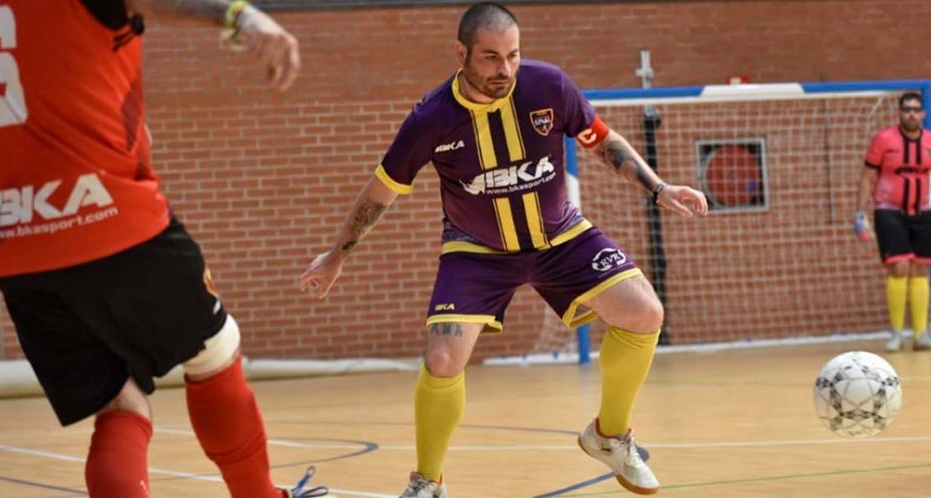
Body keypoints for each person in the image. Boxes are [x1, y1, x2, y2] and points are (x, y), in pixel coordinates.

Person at [298, 3, 707, 496]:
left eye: (512, 55)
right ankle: (428, 482)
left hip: (560, 237)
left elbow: (602, 142)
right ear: (461, 54)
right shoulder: (431, 118)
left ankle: (610, 435)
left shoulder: (549, 86)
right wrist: (337, 255)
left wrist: (659, 188)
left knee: (645, 312)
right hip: (476, 251)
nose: (505, 69)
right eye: (491, 57)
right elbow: (380, 192)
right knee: (443, 358)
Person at [0, 1, 330, 497]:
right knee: (215, 351)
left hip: (13, 243)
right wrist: (240, 15)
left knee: (119, 403)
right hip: (105, 212)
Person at [854, 91, 931, 352]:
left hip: (922, 212)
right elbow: (868, 177)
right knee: (899, 267)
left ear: (923, 114)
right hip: (888, 211)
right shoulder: (883, 140)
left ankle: (921, 335)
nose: (911, 114)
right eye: (906, 109)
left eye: (915, 109)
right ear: (899, 113)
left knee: (921, 268)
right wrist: (861, 213)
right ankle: (897, 333)